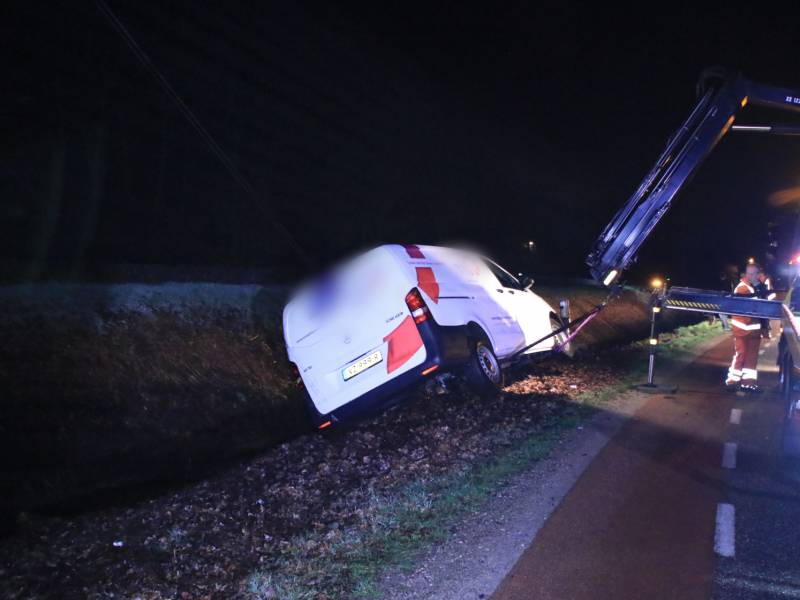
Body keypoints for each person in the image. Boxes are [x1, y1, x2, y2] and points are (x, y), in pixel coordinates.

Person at [725, 264, 763, 392]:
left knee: (750, 358)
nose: (753, 276)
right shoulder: (743, 288)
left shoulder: (751, 287)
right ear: (747, 274)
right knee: (741, 355)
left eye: (754, 274)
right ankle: (733, 381)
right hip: (744, 329)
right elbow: (753, 309)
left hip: (751, 330)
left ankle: (747, 383)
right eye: (750, 273)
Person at [755, 270, 776, 339]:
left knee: (765, 319)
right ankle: (762, 332)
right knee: (761, 320)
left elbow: (772, 293)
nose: (760, 277)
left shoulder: (767, 284)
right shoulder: (757, 286)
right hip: (760, 305)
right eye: (759, 276)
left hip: (766, 304)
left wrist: (767, 300)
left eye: (762, 276)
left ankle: (766, 332)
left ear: (765, 276)